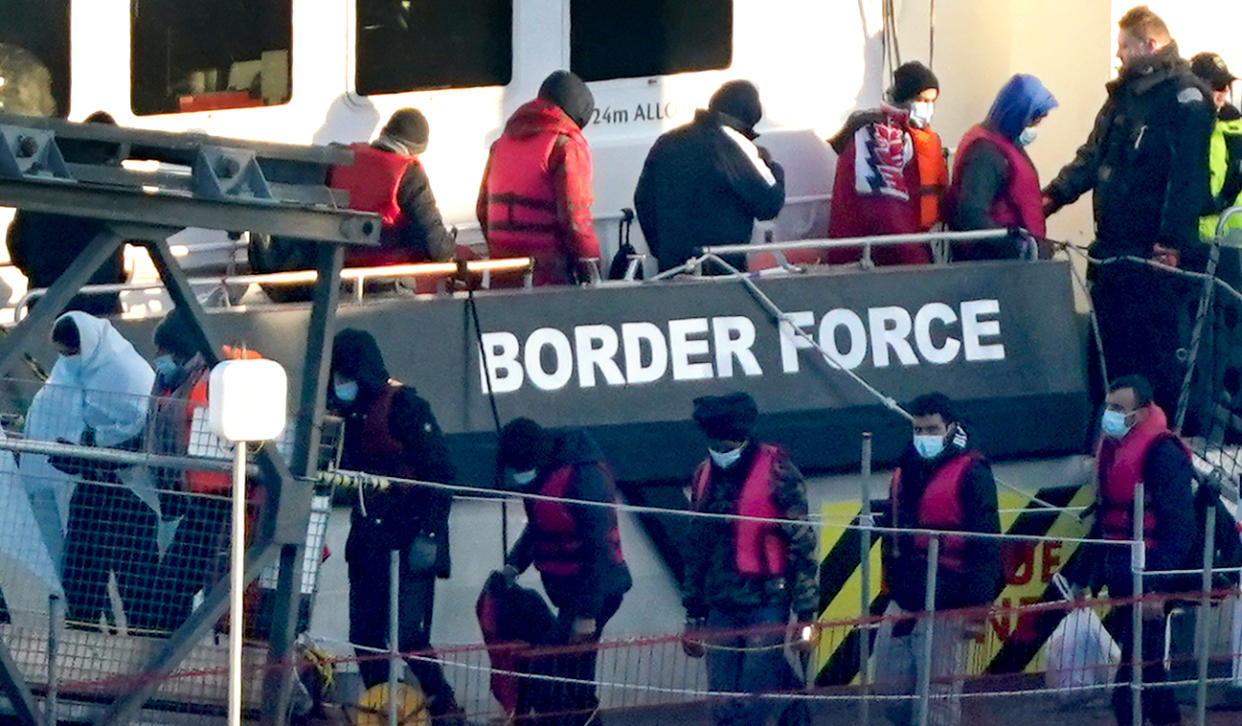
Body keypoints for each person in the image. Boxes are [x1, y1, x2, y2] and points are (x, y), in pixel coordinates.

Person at [1042, 6, 1215, 415]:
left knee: (1151, 351)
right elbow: (1093, 156)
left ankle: (1157, 435)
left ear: (1149, 45)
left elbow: (1186, 178)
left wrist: (1170, 242)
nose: (1118, 55)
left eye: (1124, 46)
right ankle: (1105, 437)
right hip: (1114, 247)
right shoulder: (1124, 97)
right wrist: (1052, 197)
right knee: (1107, 349)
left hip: (1152, 254)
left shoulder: (1184, 98)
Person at [326, 329, 462, 721]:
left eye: (345, 374)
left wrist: (430, 533)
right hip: (368, 536)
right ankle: (386, 708)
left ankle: (443, 706)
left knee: (410, 637)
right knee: (365, 636)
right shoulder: (344, 413)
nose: (340, 384)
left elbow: (442, 472)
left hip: (410, 535)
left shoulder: (405, 407)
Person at [679, 392, 818, 726]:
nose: (719, 451)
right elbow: (697, 547)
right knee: (722, 699)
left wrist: (806, 613)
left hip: (768, 598)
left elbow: (802, 543)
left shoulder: (778, 470)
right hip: (719, 604)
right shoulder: (703, 474)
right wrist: (693, 613)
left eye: (725, 444)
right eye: (714, 443)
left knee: (754, 696)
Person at [1065, 375, 1194, 726]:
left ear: (1140, 412)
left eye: (1118, 408)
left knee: (1137, 676)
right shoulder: (1112, 450)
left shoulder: (1162, 453)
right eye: (1108, 407)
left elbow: (1180, 528)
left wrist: (1158, 587)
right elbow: (1106, 521)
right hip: (1120, 574)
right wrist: (1082, 578)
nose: (1110, 415)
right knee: (1147, 671)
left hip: (1150, 575)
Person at [874, 393, 1001, 726]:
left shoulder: (973, 471)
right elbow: (893, 531)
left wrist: (977, 608)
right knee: (890, 693)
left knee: (938, 705)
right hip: (905, 596)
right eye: (918, 429)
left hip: (950, 600)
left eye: (931, 429)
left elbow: (986, 544)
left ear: (950, 428)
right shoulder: (905, 470)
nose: (923, 437)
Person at [496, 417, 632, 726]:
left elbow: (597, 549)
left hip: (597, 592)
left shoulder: (583, 479)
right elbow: (539, 527)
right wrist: (513, 565)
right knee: (576, 677)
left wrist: (587, 614)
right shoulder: (542, 477)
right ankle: (586, 716)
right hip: (568, 592)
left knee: (550, 666)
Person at [41, 312, 162, 629]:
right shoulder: (80, 366)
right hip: (94, 480)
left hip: (129, 489)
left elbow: (139, 423)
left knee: (132, 568)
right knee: (82, 563)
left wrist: (94, 439)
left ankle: (144, 634)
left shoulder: (126, 371)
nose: (67, 360)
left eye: (70, 353)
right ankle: (81, 626)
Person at [634, 80, 786, 274]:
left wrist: (663, 250)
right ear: (750, 116)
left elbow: (643, 200)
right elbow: (769, 204)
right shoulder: (734, 143)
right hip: (722, 271)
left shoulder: (667, 141)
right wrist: (773, 168)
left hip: (672, 270)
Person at [477, 71, 601, 286]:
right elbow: (576, 221)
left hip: (504, 276)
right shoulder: (565, 146)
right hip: (550, 278)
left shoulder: (500, 145)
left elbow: (482, 210)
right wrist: (593, 271)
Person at [826, 61, 949, 265]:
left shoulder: (914, 135)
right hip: (870, 258)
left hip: (906, 247)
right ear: (904, 99)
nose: (928, 107)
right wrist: (917, 261)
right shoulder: (876, 136)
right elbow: (884, 213)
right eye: (921, 100)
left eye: (932, 101)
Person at [6, 111, 127, 317]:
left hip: (43, 303)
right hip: (100, 301)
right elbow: (147, 230)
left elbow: (16, 242)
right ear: (115, 150)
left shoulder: (42, 174)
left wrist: (40, 273)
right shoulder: (118, 181)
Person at [946, 74, 1058, 260]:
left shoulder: (1004, 144)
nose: (1034, 128)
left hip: (1013, 263)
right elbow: (971, 216)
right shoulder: (985, 153)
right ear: (1017, 115)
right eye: (1033, 121)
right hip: (991, 267)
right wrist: (1019, 246)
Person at [328, 108, 456, 267]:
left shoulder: (343, 157)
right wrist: (451, 248)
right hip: (385, 274)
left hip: (336, 268)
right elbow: (436, 247)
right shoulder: (409, 173)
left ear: (383, 133)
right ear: (415, 150)